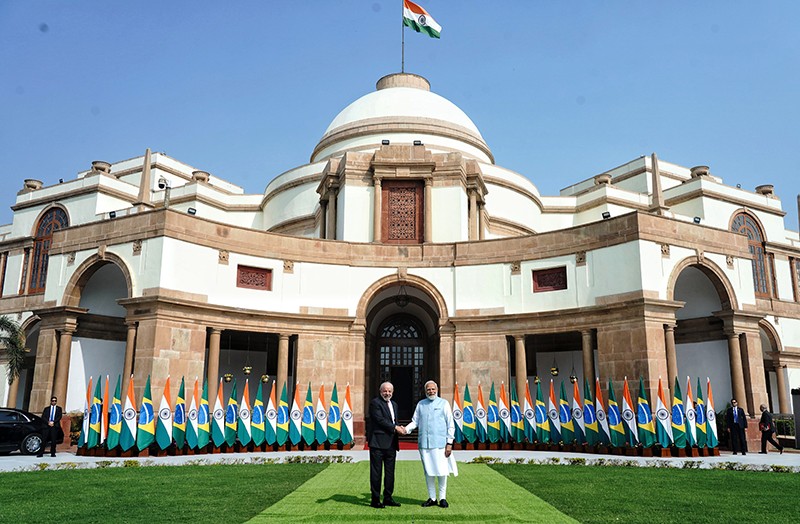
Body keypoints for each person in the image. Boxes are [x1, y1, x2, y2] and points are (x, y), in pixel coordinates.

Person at [402, 380, 457, 508]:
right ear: (425, 391)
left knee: (442, 471)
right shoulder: (421, 404)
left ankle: (442, 498)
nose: (431, 391)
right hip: (424, 444)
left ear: (437, 389)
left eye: (433, 389)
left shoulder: (444, 403)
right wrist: (406, 429)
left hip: (440, 444)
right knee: (429, 471)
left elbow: (450, 424)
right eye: (428, 389)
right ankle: (432, 498)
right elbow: (415, 421)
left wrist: (449, 443)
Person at [367, 382, 403, 509]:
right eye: (385, 391)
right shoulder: (375, 403)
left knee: (390, 473)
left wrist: (400, 427)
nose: (387, 393)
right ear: (380, 391)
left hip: (391, 444)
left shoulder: (394, 404)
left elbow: (394, 421)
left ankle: (388, 497)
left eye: (389, 391)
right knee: (376, 473)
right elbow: (379, 420)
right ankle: (375, 500)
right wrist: (395, 428)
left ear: (392, 392)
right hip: (377, 443)